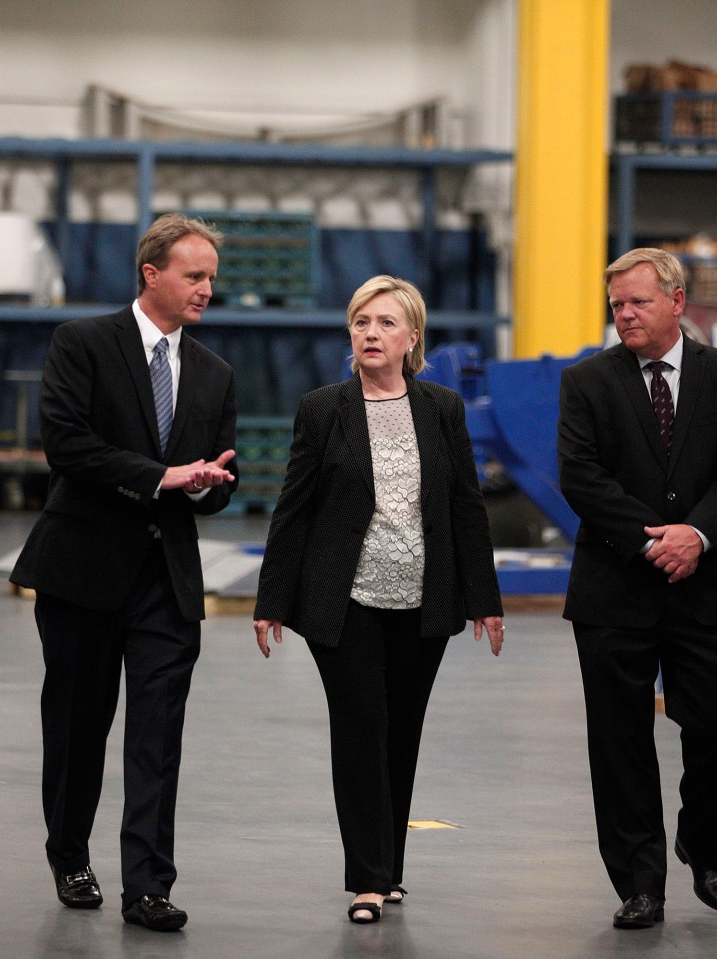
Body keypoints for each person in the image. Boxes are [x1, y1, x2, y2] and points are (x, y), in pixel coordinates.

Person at [252, 275, 505, 925]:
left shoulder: (443, 408)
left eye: (386, 322)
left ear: (412, 337)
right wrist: (271, 599)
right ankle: (367, 879)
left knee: (401, 732)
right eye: (361, 322)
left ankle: (388, 868)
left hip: (424, 600)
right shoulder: (323, 408)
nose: (371, 333)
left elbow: (466, 506)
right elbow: (293, 508)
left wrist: (485, 598)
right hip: (345, 600)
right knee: (361, 731)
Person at [10, 214, 238, 932]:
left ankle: (147, 885)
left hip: (166, 580)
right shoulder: (82, 343)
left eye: (210, 278)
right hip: (83, 571)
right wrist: (161, 476)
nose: (206, 289)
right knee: (78, 725)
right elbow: (67, 445)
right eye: (194, 276)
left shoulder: (215, 372)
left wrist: (204, 486)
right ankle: (70, 855)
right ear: (152, 274)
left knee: (156, 737)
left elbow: (219, 477)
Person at [556, 248, 717, 930]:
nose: (625, 314)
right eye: (616, 304)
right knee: (619, 740)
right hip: (616, 586)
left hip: (706, 584)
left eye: (638, 302)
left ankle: (702, 845)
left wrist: (696, 535)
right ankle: (641, 883)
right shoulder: (587, 381)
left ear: (677, 301)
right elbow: (580, 474)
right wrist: (650, 541)